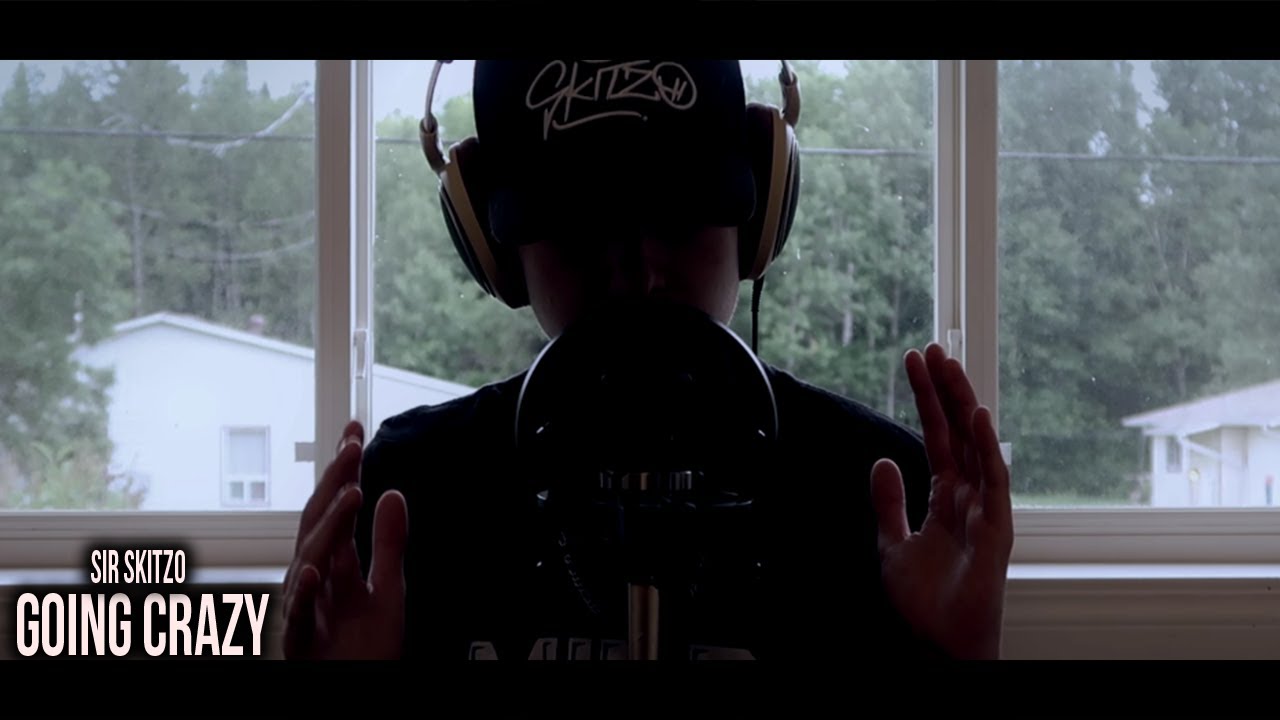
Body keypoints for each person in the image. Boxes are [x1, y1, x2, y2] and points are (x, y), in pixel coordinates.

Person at [280, 59, 1014, 661]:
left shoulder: (889, 500)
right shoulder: (408, 501)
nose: (637, 271)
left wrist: (959, 656)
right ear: (497, 253)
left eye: (678, 213)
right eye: (580, 227)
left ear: (757, 218)